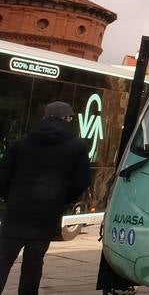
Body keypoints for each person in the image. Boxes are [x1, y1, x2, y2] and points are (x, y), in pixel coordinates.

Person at [0, 102, 92, 295]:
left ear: (44, 117)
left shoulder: (22, 142)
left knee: (3, 259)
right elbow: (82, 181)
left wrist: (11, 197)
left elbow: (3, 176)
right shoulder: (77, 146)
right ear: (67, 118)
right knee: (33, 264)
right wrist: (63, 199)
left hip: (17, 212)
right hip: (46, 216)